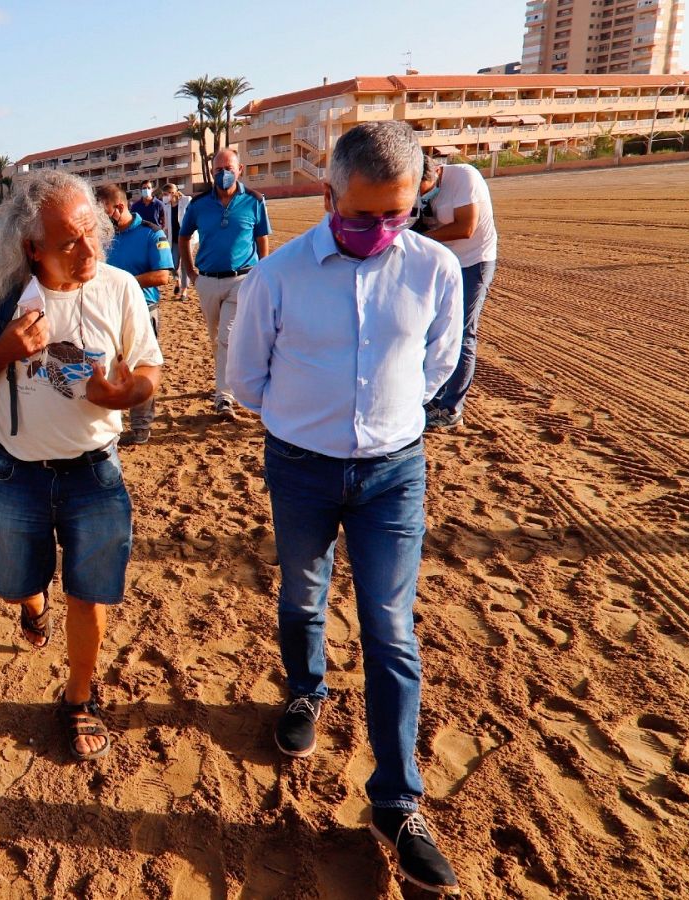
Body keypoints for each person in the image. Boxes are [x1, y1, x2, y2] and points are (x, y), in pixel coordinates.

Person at [226, 121, 463, 894]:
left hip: (394, 472)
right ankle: (305, 690)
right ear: (328, 197)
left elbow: (437, 366)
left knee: (390, 627)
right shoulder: (279, 275)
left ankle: (396, 801)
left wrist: (379, 425)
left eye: (397, 214)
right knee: (302, 593)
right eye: (363, 215)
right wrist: (311, 422)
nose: (380, 230)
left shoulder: (434, 270)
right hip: (298, 467)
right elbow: (246, 381)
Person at [0, 170, 162, 762]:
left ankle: (78, 697)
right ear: (32, 247)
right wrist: (5, 351)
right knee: (17, 581)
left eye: (92, 232)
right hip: (19, 472)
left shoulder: (120, 287)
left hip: (96, 472)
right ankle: (31, 606)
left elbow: (148, 368)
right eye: (70, 240)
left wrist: (124, 395)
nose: (89, 248)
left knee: (89, 593)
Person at [179, 148, 271, 420]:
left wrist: (260, 271)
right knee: (216, 337)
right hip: (207, 280)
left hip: (241, 279)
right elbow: (184, 237)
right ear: (212, 172)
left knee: (227, 337)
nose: (223, 174)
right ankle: (224, 377)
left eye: (228, 169)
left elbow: (262, 238)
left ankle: (224, 397)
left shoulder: (254, 201)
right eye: (218, 170)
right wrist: (191, 273)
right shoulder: (198, 205)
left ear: (239, 169)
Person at [415, 155, 497, 431]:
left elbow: (466, 226)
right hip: (442, 262)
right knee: (433, 330)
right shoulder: (415, 188)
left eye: (424, 186)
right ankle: (433, 398)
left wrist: (421, 239)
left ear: (437, 171)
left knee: (462, 333)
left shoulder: (464, 177)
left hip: (473, 262)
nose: (420, 193)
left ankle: (451, 409)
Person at [94, 184, 173, 445]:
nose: (100, 219)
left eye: (103, 212)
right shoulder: (102, 237)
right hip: (106, 312)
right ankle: (111, 426)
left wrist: (123, 282)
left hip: (142, 311)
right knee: (109, 367)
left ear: (119, 207)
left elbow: (163, 275)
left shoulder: (151, 234)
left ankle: (140, 427)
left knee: (141, 366)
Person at [163, 184, 191, 300]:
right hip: (173, 239)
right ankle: (177, 281)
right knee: (173, 264)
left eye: (165, 194)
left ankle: (184, 291)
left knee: (185, 265)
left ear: (173, 193)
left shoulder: (186, 201)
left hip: (186, 239)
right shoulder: (166, 206)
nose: (164, 197)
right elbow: (166, 224)